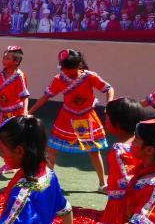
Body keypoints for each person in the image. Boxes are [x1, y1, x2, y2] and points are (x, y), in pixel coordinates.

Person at [29, 49, 115, 191]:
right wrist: (30, 111)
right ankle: (46, 181)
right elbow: (46, 97)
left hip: (86, 118)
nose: (67, 71)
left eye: (70, 68)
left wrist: (110, 103)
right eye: (64, 68)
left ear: (79, 65)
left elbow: (108, 88)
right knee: (52, 150)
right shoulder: (58, 79)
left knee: (94, 151)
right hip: (66, 118)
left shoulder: (90, 77)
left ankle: (102, 184)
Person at [0, 46, 30, 175]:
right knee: (4, 140)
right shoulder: (0, 74)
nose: (4, 59)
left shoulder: (19, 76)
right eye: (4, 56)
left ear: (16, 61)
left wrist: (25, 112)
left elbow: (24, 95)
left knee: (14, 140)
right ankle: (12, 164)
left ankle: (15, 164)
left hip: (16, 113)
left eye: (8, 58)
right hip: (3, 113)